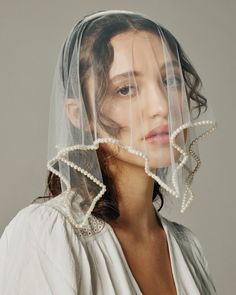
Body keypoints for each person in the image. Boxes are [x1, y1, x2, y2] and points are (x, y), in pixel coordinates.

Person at [0, 9, 217, 295]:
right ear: (81, 116)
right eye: (126, 89)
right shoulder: (46, 235)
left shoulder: (187, 247)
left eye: (171, 81)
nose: (162, 107)